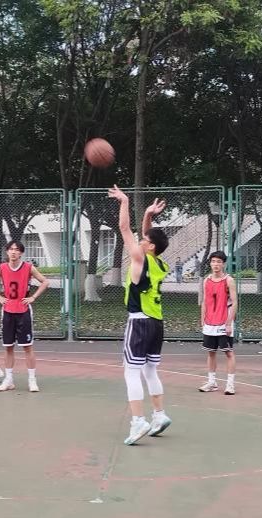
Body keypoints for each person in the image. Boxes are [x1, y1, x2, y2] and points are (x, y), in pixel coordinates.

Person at [108, 185, 172, 446]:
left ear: (150, 246)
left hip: (139, 321)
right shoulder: (160, 263)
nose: (140, 240)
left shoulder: (139, 259)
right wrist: (147, 214)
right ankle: (159, 415)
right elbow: (148, 236)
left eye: (144, 240)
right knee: (149, 370)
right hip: (156, 322)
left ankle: (138, 421)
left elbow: (124, 229)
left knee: (131, 372)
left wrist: (124, 201)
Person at [0, 240, 49, 392]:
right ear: (7, 251)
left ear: (21, 253)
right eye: (11, 249)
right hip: (8, 310)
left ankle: (32, 380)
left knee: (27, 347)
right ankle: (9, 380)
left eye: (16, 249)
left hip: (23, 310)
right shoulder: (2, 267)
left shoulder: (28, 267)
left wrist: (33, 297)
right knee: (8, 347)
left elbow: (45, 282)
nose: (13, 252)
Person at [198, 251, 237, 395]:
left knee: (228, 352)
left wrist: (229, 323)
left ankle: (230, 385)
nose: (216, 264)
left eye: (219, 262)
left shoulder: (229, 280)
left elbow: (235, 302)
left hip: (223, 322)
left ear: (223, 264)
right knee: (211, 353)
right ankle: (212, 382)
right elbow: (204, 301)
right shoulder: (206, 281)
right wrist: (202, 318)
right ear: (210, 263)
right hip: (209, 322)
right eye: (213, 261)